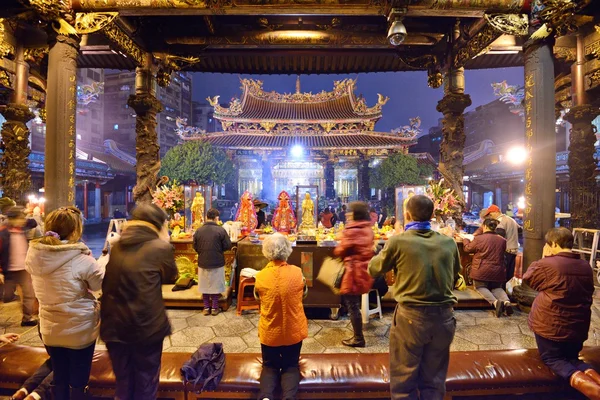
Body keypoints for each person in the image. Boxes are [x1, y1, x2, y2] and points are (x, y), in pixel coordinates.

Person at [369, 195, 460, 400]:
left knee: (403, 381)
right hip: (444, 317)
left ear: (407, 214)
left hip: (411, 318)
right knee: (435, 381)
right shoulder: (448, 242)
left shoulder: (398, 241)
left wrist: (378, 253)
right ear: (433, 214)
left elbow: (374, 269)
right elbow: (455, 274)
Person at [100, 203, 178, 400]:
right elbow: (171, 276)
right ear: (157, 224)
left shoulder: (117, 246)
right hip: (145, 327)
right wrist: (165, 239)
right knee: (145, 384)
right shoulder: (160, 247)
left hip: (114, 327)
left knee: (124, 383)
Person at [26, 206, 104, 399]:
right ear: (75, 230)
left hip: (49, 328)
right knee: (78, 379)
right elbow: (98, 285)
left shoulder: (34, 255)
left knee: (59, 374)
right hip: (79, 328)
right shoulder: (82, 258)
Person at [523, 228, 600, 400]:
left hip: (551, 327)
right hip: (577, 328)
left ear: (554, 244)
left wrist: (544, 258)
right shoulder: (585, 266)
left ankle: (594, 392)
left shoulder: (547, 264)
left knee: (553, 359)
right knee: (573, 358)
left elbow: (529, 280)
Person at [254, 233, 308, 400]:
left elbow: (258, 297)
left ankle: (265, 397)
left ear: (266, 252)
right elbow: (303, 294)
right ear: (287, 250)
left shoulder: (260, 276)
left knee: (269, 367)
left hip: (270, 331)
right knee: (291, 366)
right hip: (293, 331)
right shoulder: (298, 273)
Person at [333, 201, 374, 348]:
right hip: (364, 270)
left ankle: (358, 338)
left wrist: (340, 239)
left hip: (353, 272)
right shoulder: (367, 228)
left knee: (352, 305)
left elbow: (340, 251)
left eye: (349, 212)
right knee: (353, 303)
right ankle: (358, 336)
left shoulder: (352, 230)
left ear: (355, 213)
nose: (346, 214)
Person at [462, 218, 512, 317]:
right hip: (498, 271)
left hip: (481, 271)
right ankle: (506, 302)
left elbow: (467, 249)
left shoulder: (479, 239)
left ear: (484, 226)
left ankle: (495, 303)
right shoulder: (502, 240)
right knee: (497, 288)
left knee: (480, 287)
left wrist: (465, 239)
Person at [0, 207, 38, 326]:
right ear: (12, 219)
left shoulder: (22, 229)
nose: (22, 220)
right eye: (20, 218)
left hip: (23, 268)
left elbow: (34, 222)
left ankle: (27, 319)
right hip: (8, 271)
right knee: (6, 296)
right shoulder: (3, 233)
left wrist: (25, 213)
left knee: (28, 294)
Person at [193, 208, 232, 316]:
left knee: (204, 285)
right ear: (216, 218)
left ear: (206, 217)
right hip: (217, 261)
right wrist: (219, 250)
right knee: (216, 285)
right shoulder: (220, 230)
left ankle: (206, 308)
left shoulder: (199, 230)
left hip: (203, 261)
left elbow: (195, 246)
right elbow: (228, 245)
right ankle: (215, 308)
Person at [484, 204, 520, 284]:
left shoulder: (500, 221)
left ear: (496, 212)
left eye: (490, 214)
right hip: (514, 250)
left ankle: (501, 292)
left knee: (502, 276)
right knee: (509, 275)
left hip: (506, 251)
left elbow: (499, 237)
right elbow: (520, 230)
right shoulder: (510, 219)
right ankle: (506, 293)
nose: (490, 216)